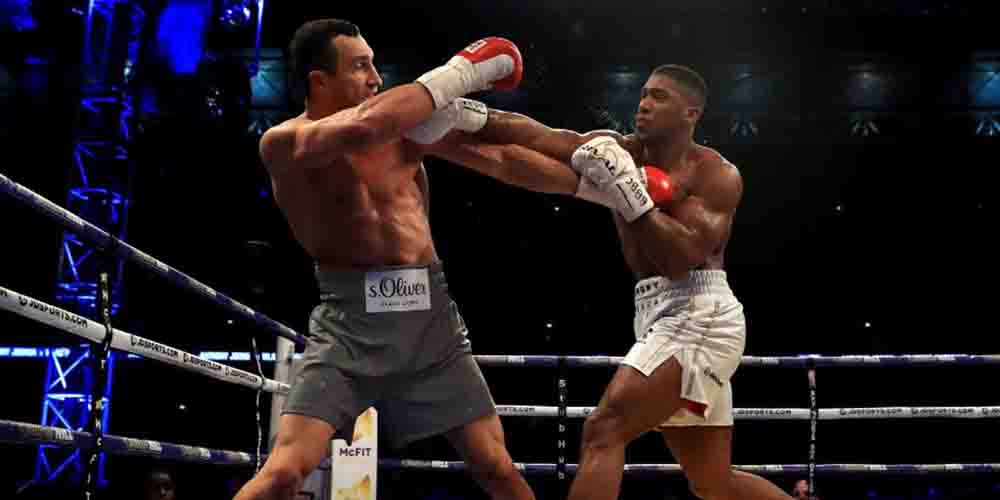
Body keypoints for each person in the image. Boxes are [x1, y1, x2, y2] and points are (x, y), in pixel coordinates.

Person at [234, 18, 584, 500]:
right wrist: (463, 71)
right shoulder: (284, 142)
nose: (376, 78)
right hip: (349, 328)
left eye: (374, 65)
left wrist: (593, 185)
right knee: (284, 473)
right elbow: (363, 126)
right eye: (360, 66)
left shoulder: (402, 134)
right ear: (320, 80)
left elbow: (503, 158)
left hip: (431, 323)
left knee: (496, 466)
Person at [437, 64, 795, 500]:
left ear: (691, 113)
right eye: (644, 94)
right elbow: (536, 142)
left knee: (604, 430)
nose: (644, 104)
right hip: (657, 313)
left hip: (700, 315)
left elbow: (681, 260)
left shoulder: (714, 174)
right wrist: (456, 119)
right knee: (713, 482)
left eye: (659, 97)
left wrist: (631, 195)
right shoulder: (618, 152)